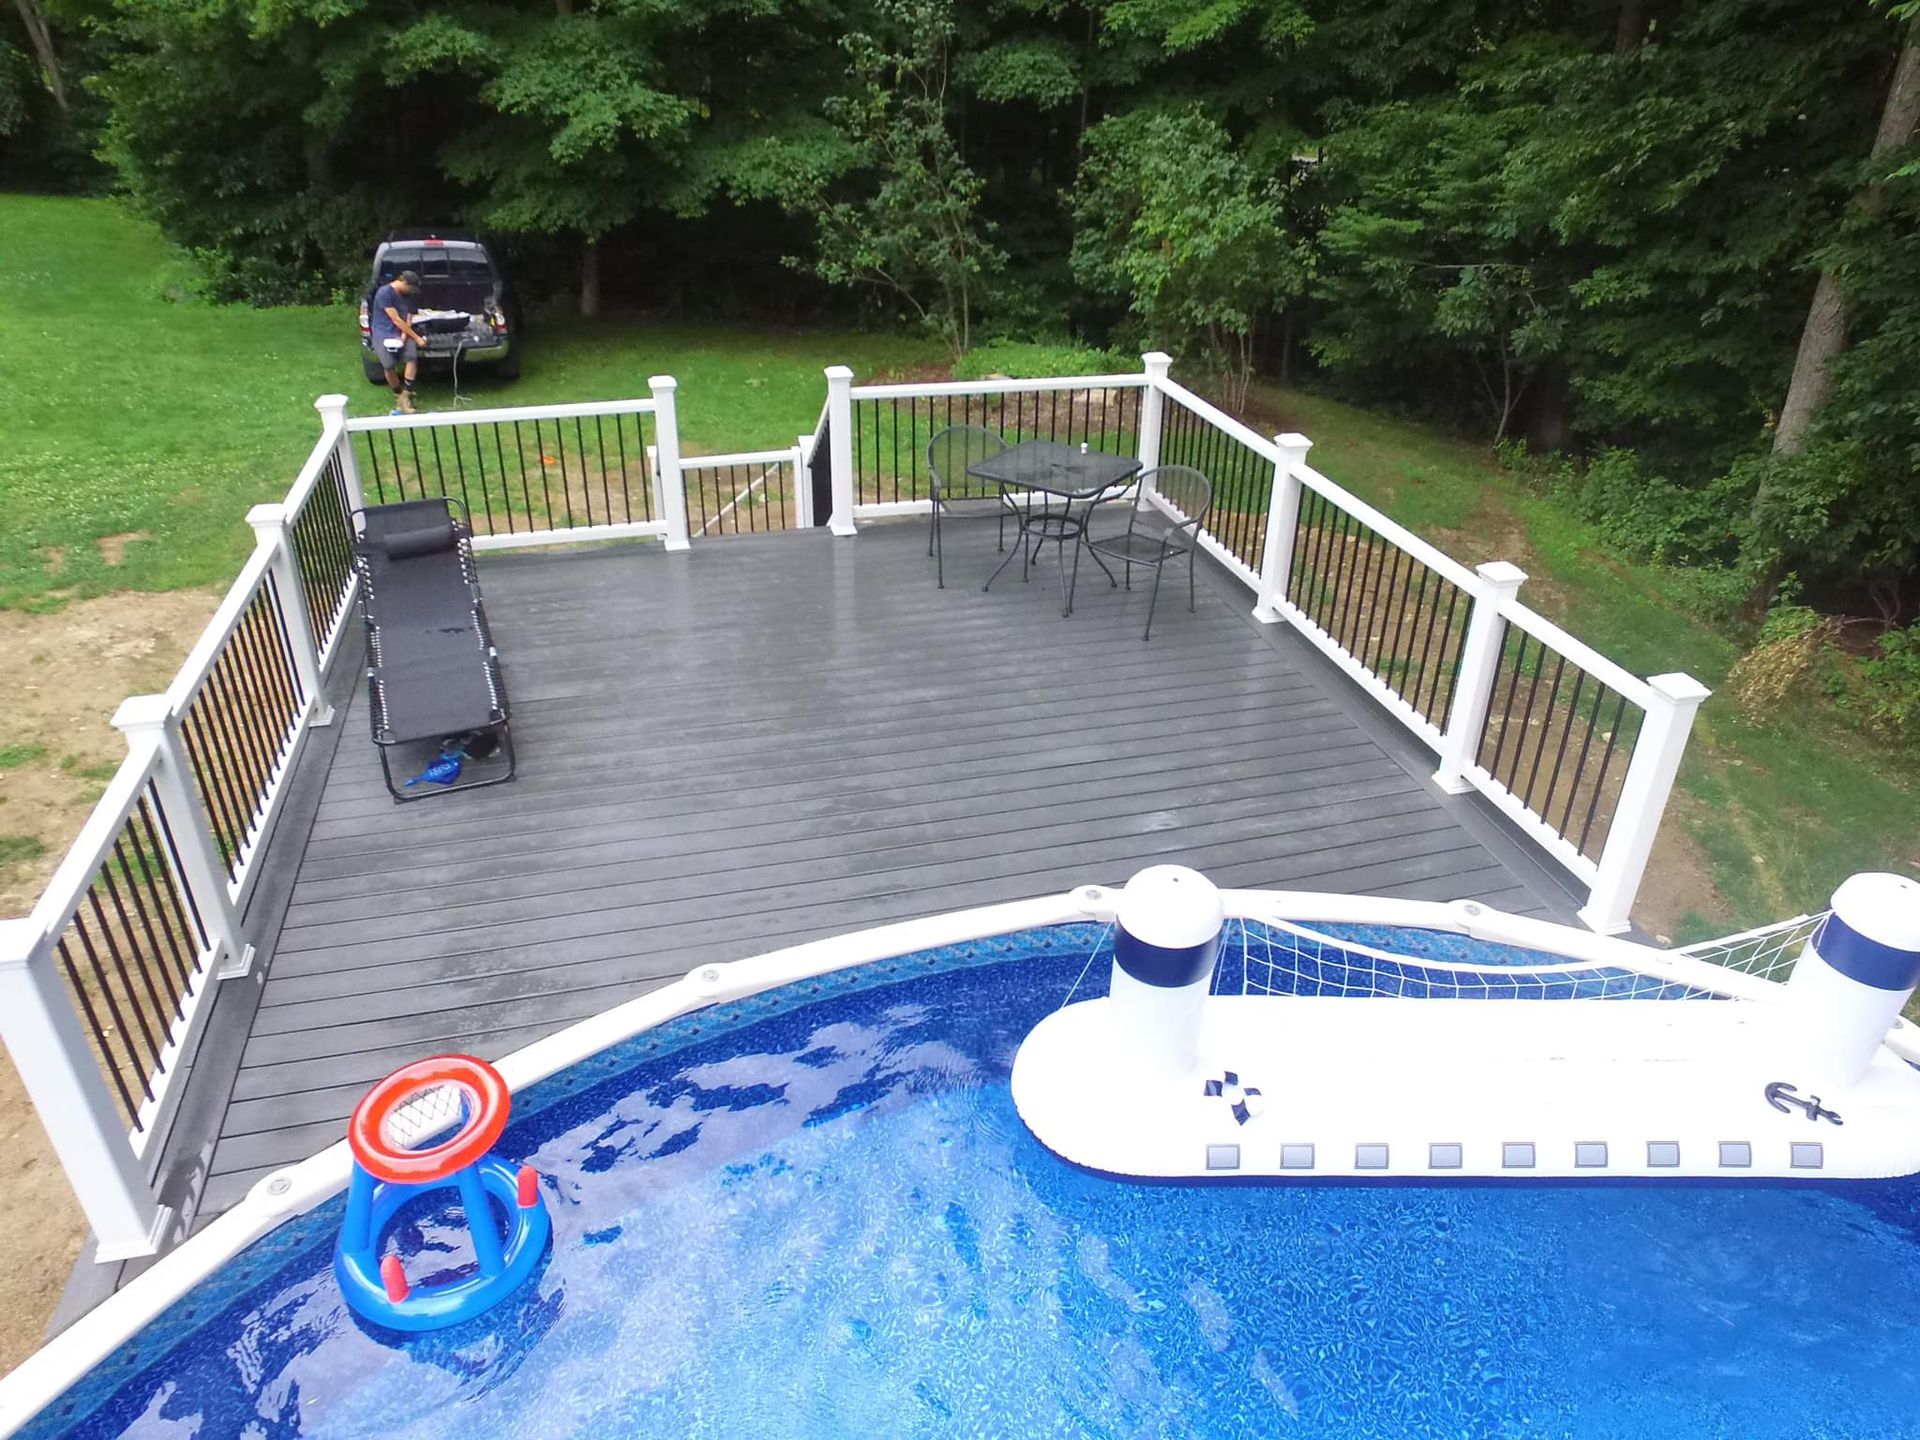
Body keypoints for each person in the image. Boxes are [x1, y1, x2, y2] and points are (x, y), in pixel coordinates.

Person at [370, 269, 429, 414]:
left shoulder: (407, 295)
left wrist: (404, 336)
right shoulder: (384, 293)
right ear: (404, 282)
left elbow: (407, 317)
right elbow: (395, 319)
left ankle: (407, 394)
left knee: (411, 358)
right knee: (388, 365)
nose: (412, 291)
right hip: (383, 332)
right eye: (411, 287)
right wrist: (416, 337)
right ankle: (398, 394)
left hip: (402, 331)